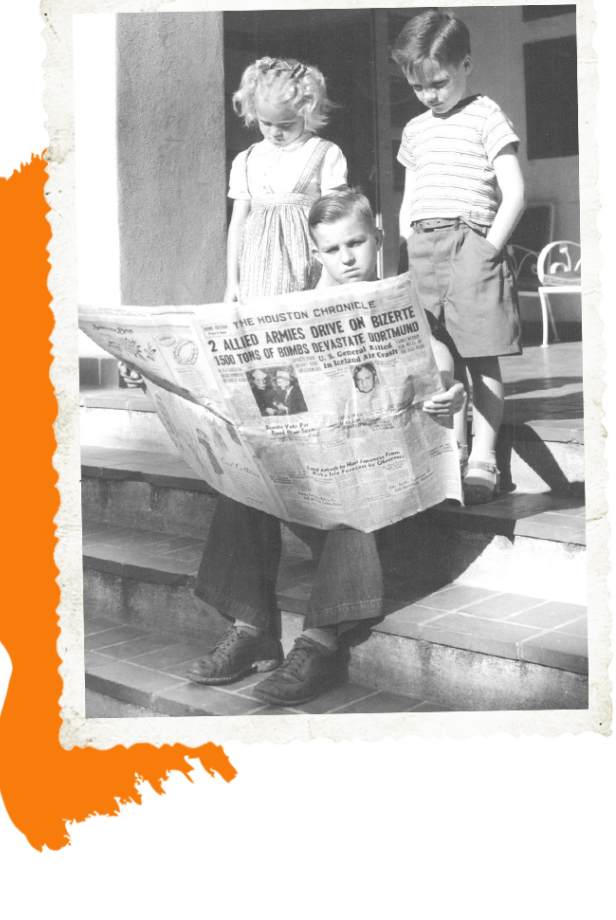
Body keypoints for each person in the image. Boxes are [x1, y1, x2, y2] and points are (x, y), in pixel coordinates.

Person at [188, 191, 467, 706]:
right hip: (319, 477)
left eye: (357, 243)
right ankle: (253, 629)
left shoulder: (398, 301)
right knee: (243, 482)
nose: (347, 258)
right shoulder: (294, 312)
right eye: (333, 249)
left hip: (388, 492)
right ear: (316, 255)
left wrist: (447, 390)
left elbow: (439, 356)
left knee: (354, 494)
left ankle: (318, 641)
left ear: (377, 238)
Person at [392, 10, 526, 504]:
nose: (430, 95)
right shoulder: (415, 129)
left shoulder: (486, 114)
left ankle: (484, 458)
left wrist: (487, 249)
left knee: (480, 355)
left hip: (470, 241)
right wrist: (408, 238)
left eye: (440, 82)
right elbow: (410, 195)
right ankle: (453, 448)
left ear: (466, 63)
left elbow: (514, 191)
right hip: (423, 245)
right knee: (436, 354)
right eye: (418, 86)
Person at [225, 57, 348, 303]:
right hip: (256, 272)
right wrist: (233, 282)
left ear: (307, 112)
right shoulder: (246, 160)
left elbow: (336, 219)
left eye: (285, 124)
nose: (274, 132)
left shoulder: (323, 152)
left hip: (306, 266)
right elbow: (238, 223)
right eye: (266, 123)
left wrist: (330, 276)